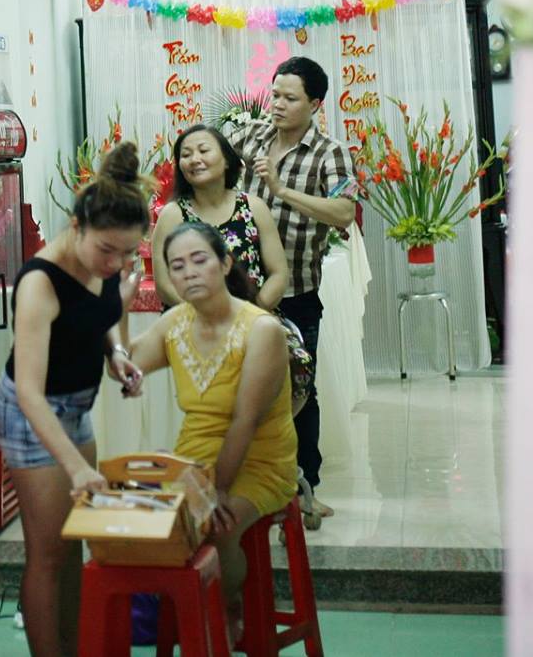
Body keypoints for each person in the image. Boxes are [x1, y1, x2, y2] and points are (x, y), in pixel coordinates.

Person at [0, 141, 149, 657]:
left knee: (76, 540)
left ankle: (76, 647)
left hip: (75, 405)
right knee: (47, 554)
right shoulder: (40, 283)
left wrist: (117, 354)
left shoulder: (106, 262)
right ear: (76, 226)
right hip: (31, 411)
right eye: (107, 250)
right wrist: (77, 469)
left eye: (128, 253)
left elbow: (100, 319)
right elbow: (30, 394)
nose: (117, 263)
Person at [129, 222, 298, 648]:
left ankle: (227, 609)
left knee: (214, 526)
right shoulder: (174, 323)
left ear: (224, 264)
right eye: (177, 266)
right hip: (194, 460)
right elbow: (126, 366)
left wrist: (218, 489)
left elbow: (245, 420)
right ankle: (174, 621)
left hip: (259, 463)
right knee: (131, 520)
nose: (189, 272)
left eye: (199, 260)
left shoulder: (261, 330)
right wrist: (116, 310)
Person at [230, 56, 358, 529]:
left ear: (315, 104)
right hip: (242, 295)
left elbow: (344, 212)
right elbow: (206, 159)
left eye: (290, 98)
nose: (278, 105)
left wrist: (281, 190)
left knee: (300, 389)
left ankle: (306, 491)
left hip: (298, 291)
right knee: (239, 389)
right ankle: (250, 487)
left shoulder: (330, 153)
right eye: (275, 95)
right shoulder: (251, 137)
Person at [148, 123, 291, 311]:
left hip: (254, 316)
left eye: (204, 150)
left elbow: (279, 274)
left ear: (227, 160)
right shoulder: (172, 215)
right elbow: (164, 286)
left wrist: (250, 315)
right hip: (193, 319)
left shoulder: (254, 207)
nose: (194, 159)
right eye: (186, 155)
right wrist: (209, 317)